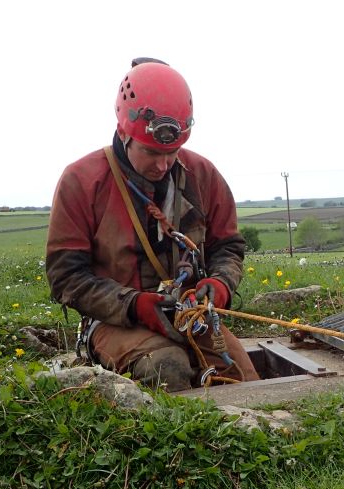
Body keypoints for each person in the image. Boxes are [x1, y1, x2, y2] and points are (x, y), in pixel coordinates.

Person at [46, 59, 259, 391]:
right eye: (151, 152)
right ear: (123, 132)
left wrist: (220, 284)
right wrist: (134, 305)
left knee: (243, 379)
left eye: (172, 152)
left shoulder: (203, 175)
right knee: (168, 368)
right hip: (115, 321)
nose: (163, 165)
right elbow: (66, 277)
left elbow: (228, 247)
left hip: (190, 317)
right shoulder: (82, 181)